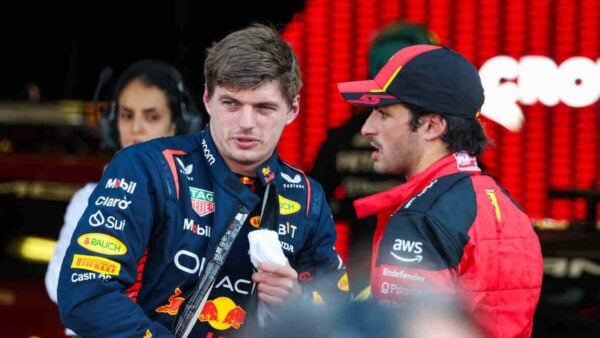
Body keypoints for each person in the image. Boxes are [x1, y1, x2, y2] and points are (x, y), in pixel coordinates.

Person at [57, 24, 348, 338]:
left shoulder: (305, 197)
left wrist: (296, 301)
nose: (246, 123)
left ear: (292, 110)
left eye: (264, 107)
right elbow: (86, 294)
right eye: (231, 104)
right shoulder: (147, 168)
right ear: (208, 100)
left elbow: (344, 318)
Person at [337, 44, 543, 337]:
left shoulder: (421, 217)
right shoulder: (504, 203)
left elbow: (405, 330)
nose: (367, 128)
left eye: (383, 114)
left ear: (432, 126)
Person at [45, 59, 204, 335]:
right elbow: (60, 284)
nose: (136, 128)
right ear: (112, 123)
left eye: (152, 117)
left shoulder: (201, 202)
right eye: (127, 115)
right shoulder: (89, 198)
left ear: (179, 126)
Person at [310, 21, 436, 294]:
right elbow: (309, 202)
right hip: (366, 276)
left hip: (426, 281)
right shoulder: (345, 136)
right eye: (381, 66)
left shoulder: (439, 135)